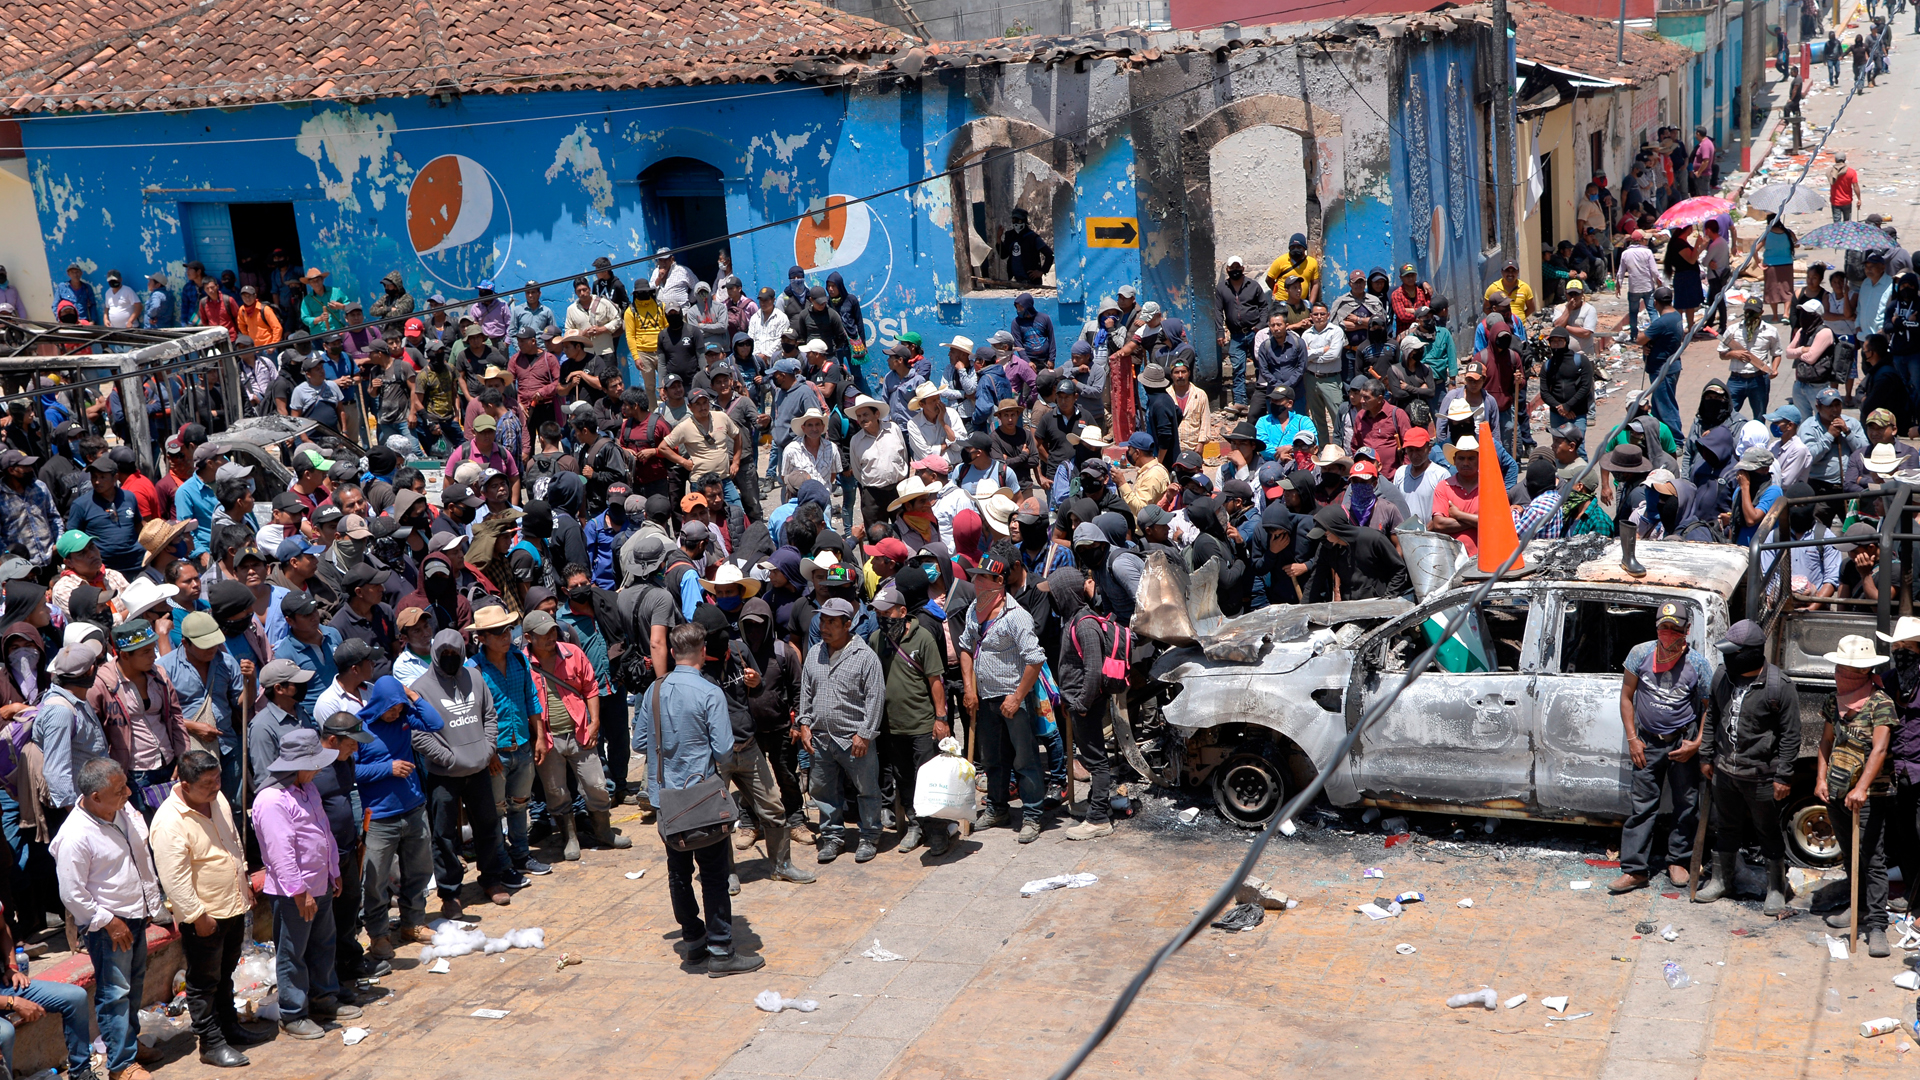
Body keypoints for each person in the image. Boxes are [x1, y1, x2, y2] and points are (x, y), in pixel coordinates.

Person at [637, 623, 766, 977]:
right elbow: (724, 750)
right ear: (702, 649)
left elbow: (638, 743)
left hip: (667, 798)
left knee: (678, 871)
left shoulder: (653, 691)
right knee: (713, 873)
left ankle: (693, 940)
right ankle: (721, 950)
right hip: (703, 797)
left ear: (674, 651)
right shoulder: (709, 691)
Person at [52, 756, 167, 1080]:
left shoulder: (120, 809)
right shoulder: (75, 835)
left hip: (136, 914)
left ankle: (128, 1045)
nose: (128, 793)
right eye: (119, 790)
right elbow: (72, 894)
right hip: (110, 926)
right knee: (114, 993)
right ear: (95, 797)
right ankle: (121, 1064)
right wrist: (108, 920)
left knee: (134, 987)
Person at [148, 750, 259, 1066]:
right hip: (205, 915)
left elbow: (233, 843)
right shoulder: (169, 822)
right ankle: (210, 1043)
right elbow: (174, 878)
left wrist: (245, 880)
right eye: (208, 783)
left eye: (218, 779)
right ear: (185, 783)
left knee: (225, 973)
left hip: (233, 905)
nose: (216, 787)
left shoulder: (218, 799)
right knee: (203, 981)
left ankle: (230, 1027)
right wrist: (198, 916)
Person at [253, 728, 363, 1038]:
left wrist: (333, 872)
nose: (318, 770)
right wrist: (300, 891)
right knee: (293, 953)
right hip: (294, 893)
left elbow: (322, 831)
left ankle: (324, 998)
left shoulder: (307, 788)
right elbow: (281, 853)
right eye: (313, 764)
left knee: (322, 945)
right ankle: (293, 1013)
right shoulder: (272, 800)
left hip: (321, 885)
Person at [1691, 620, 1799, 914]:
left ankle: (1776, 888)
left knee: (1767, 831)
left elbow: (1791, 735)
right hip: (1725, 772)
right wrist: (1706, 756)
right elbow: (1712, 714)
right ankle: (1722, 880)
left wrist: (1783, 776)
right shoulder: (1723, 675)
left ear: (1750, 653)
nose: (1728, 657)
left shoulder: (1779, 686)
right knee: (1726, 827)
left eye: (1733, 652)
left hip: (1762, 777)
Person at [410, 629, 520, 914]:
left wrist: (487, 750)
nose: (449, 659)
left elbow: (490, 717)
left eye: (454, 654)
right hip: (444, 776)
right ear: (435, 654)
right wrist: (447, 758)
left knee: (488, 826)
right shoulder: (421, 687)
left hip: (479, 769)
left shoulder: (475, 678)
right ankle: (450, 894)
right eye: (443, 654)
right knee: (445, 835)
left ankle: (492, 879)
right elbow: (418, 735)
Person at [1609, 601, 1712, 895]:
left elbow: (1707, 707)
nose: (1668, 633)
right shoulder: (1640, 654)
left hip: (1683, 743)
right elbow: (1627, 697)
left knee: (1686, 805)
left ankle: (1678, 862)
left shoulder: (1699, 665)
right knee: (1642, 807)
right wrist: (1633, 738)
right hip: (1648, 743)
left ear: (1686, 630)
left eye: (1675, 628)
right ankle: (1635, 870)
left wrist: (1697, 743)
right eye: (1663, 627)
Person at [958, 550, 1047, 843]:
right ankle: (997, 808)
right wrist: (970, 690)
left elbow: (1035, 660)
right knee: (993, 759)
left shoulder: (1017, 617)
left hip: (1013, 701)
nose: (977, 583)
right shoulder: (975, 610)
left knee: (1025, 759)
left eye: (982, 578)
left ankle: (1033, 815)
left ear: (998, 581)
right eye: (975, 578)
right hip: (985, 699)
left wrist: (1017, 696)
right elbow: (965, 648)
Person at [1818, 634, 1898, 956]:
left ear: (1862, 673)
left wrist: (1862, 787)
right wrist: (1821, 778)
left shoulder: (1881, 704)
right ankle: (1859, 905)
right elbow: (1826, 742)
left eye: (1846, 670)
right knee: (1850, 854)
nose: (1840, 674)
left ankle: (1878, 925)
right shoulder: (1833, 702)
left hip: (1869, 797)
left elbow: (1879, 749)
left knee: (1872, 857)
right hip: (1837, 792)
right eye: (1839, 668)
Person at [354, 675, 442, 960]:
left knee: (418, 871)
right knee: (376, 880)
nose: (395, 713)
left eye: (399, 707)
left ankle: (413, 923)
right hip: (379, 816)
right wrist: (387, 768)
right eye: (391, 708)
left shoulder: (405, 718)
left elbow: (435, 723)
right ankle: (378, 934)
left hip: (413, 808)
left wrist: (412, 697)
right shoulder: (358, 727)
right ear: (378, 703)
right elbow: (350, 772)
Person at [796, 597, 886, 864]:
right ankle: (832, 837)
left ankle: (869, 836)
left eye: (832, 621)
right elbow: (806, 692)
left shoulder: (865, 657)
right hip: (821, 738)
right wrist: (804, 724)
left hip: (854, 740)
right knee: (823, 791)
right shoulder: (815, 652)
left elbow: (875, 698)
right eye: (823, 620)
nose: (824, 626)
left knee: (866, 789)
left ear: (848, 624)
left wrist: (865, 733)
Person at [868, 587, 951, 855]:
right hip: (892, 727)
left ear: (902, 612)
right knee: (904, 779)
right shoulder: (875, 639)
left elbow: (935, 681)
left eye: (887, 612)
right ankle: (915, 825)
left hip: (921, 724)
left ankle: (937, 831)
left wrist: (940, 718)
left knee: (927, 780)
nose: (883, 618)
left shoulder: (923, 638)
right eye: (878, 614)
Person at [1721, 295, 1783, 420]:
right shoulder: (1733, 330)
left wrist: (1774, 369)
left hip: (1759, 379)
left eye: (1753, 313)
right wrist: (1733, 354)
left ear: (1761, 313)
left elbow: (1776, 353)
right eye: (1747, 312)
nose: (1750, 315)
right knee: (1727, 415)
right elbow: (1722, 353)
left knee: (1760, 416)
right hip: (1736, 379)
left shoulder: (1770, 331)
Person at [1831, 152, 1860, 223]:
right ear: (1845, 160)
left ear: (1835, 160)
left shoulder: (1831, 172)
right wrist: (1859, 199)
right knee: (1847, 223)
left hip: (1835, 201)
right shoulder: (1851, 172)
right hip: (1847, 201)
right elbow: (1855, 186)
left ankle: (1837, 234)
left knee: (1836, 224)